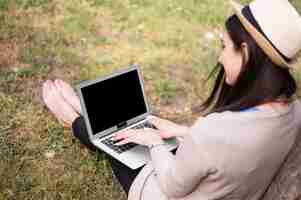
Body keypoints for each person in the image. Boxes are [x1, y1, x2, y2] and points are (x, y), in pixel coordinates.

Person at [42, 0, 301, 199]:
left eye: (224, 46)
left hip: (167, 193)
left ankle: (74, 118)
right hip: (222, 187)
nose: (221, 57)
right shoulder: (293, 111)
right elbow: (232, 151)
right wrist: (183, 131)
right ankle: (84, 108)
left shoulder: (214, 132)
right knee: (143, 134)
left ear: (244, 53)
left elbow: (172, 187)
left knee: (119, 147)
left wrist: (154, 143)